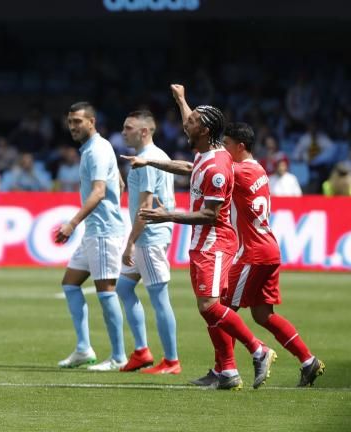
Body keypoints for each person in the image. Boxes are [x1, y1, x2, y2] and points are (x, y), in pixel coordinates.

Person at [127, 84, 275, 390]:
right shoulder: (206, 154)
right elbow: (186, 166)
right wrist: (180, 100)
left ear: (205, 130)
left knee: (210, 306)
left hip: (215, 242)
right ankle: (228, 372)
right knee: (208, 309)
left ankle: (258, 350)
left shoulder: (218, 166)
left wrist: (165, 215)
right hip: (201, 243)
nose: (185, 125)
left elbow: (210, 214)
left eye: (191, 122)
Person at [217, 122, 324, 387]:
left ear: (240, 147)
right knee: (262, 315)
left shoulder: (238, 170)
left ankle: (227, 370)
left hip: (252, 253)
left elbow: (208, 172)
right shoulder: (260, 171)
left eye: (227, 144)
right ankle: (308, 361)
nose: (224, 149)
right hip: (269, 250)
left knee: (220, 310)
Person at [53, 102, 127, 371]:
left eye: (78, 122)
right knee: (70, 283)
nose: (72, 126)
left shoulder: (95, 150)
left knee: (106, 292)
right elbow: (116, 180)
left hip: (105, 232)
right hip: (94, 231)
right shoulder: (101, 146)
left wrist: (72, 223)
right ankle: (84, 349)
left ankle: (119, 357)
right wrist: (117, 177)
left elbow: (98, 192)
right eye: (70, 121)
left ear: (92, 122)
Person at [115, 110, 180, 374]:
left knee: (158, 297)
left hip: (149, 237)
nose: (123, 132)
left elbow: (146, 205)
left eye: (128, 127)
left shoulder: (148, 160)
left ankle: (172, 360)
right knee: (123, 287)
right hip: (149, 235)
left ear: (144, 131)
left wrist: (131, 242)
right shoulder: (157, 156)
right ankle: (142, 352)